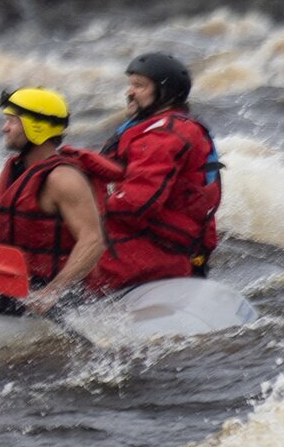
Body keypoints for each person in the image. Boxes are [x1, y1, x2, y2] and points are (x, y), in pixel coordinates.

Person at [0, 86, 113, 308]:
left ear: (36, 127)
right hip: (16, 279)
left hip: (51, 292)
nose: (4, 128)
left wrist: (52, 292)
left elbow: (93, 241)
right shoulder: (16, 170)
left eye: (12, 121)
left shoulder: (63, 179)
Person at [92, 48, 222, 291]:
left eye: (139, 86)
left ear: (165, 92)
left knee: (64, 244)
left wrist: (82, 208)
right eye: (130, 85)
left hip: (161, 247)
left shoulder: (166, 134)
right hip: (153, 237)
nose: (129, 92)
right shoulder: (152, 126)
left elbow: (135, 203)